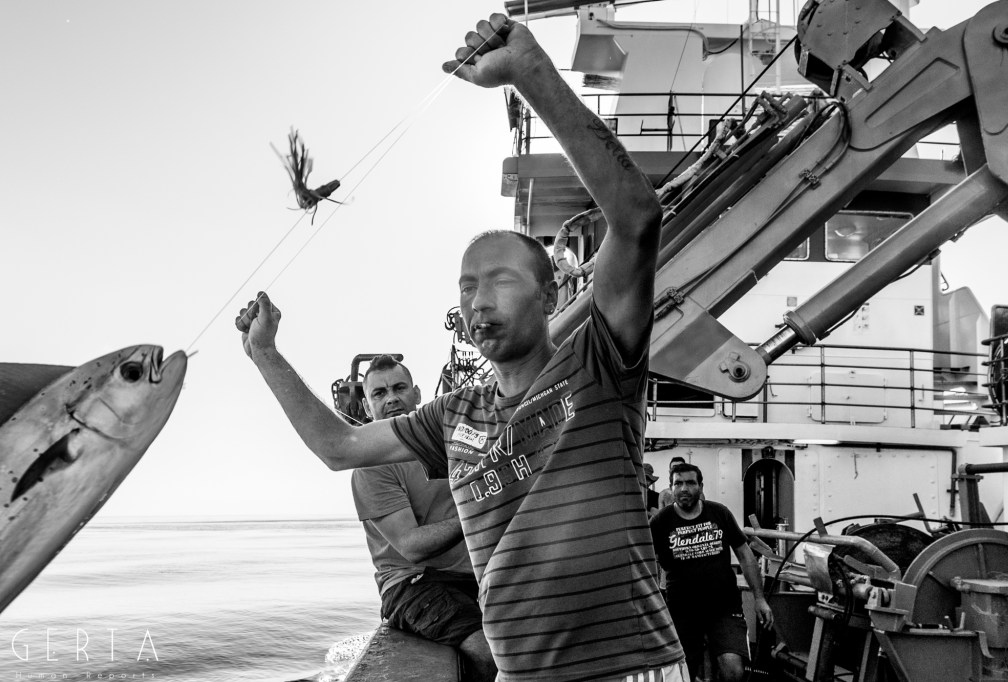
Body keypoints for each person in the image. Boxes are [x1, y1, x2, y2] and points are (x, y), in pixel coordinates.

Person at [237, 13, 685, 681]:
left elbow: (637, 217)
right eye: (467, 286)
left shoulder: (598, 363)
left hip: (628, 669)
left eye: (500, 280)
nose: (478, 300)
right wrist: (266, 355)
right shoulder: (452, 415)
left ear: (551, 296)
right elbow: (339, 447)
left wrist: (530, 74)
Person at [351, 354, 495, 681]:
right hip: (411, 584)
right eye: (379, 393)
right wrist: (478, 509)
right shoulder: (370, 466)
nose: (391, 398)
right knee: (488, 651)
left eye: (399, 388)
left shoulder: (452, 443)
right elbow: (411, 546)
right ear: (367, 406)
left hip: (471, 576)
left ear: (416, 394)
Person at [649, 463, 774, 682]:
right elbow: (645, 562)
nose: (684, 488)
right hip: (682, 610)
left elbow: (745, 555)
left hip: (723, 607)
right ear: (671, 487)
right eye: (678, 483)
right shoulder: (660, 522)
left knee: (733, 671)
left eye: (690, 483)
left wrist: (759, 598)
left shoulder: (719, 513)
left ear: (700, 486)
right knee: (682, 674)